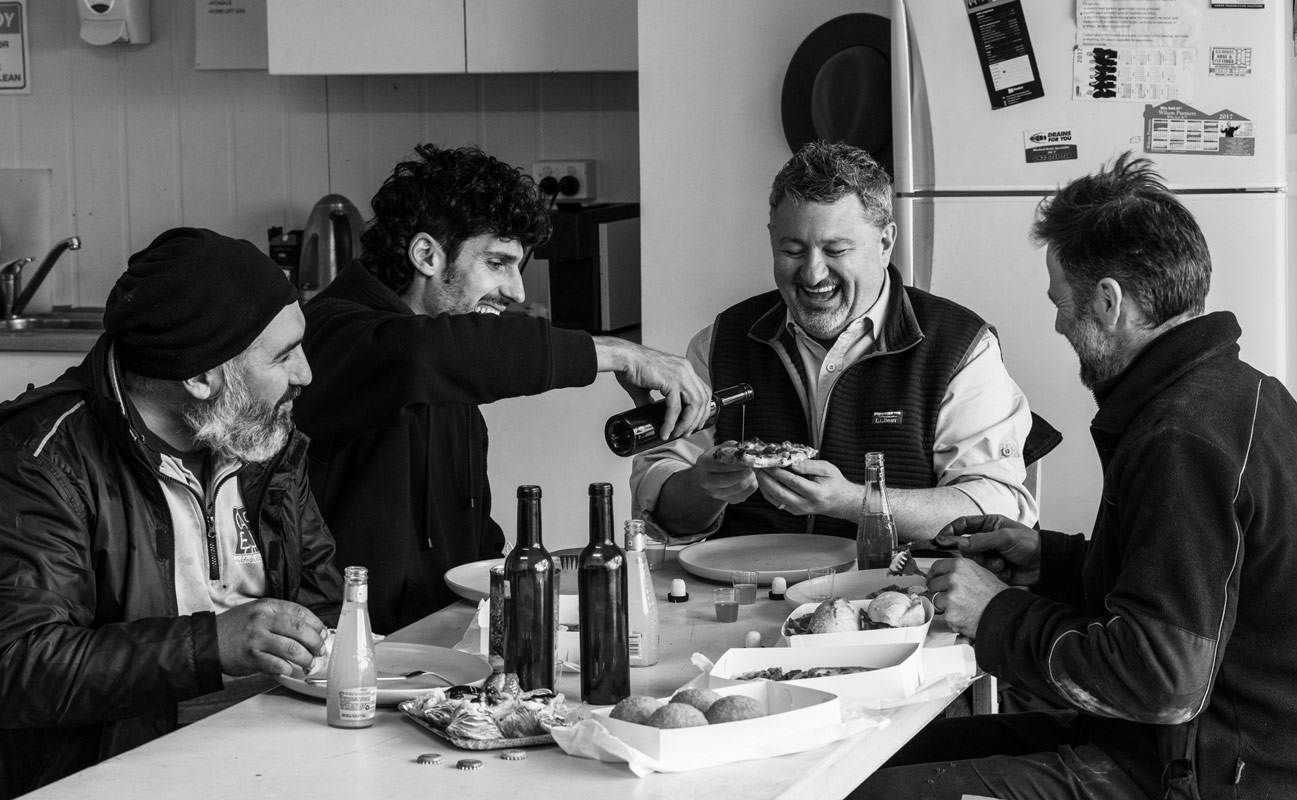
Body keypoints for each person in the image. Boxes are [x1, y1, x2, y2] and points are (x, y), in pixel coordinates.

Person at [854, 154, 1297, 799]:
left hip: (1205, 774)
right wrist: (1047, 560)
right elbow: (1192, 583)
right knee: (879, 755)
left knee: (874, 794)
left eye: (1062, 303)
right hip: (1165, 744)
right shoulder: (1245, 394)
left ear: (1110, 301)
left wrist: (996, 612)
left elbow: (1163, 681)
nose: (1059, 322)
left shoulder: (1182, 437)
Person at [295, 144, 710, 633]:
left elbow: (472, 534)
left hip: (442, 647)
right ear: (426, 254)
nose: (517, 291)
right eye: (497, 263)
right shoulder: (331, 334)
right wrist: (622, 354)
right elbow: (420, 354)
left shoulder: (448, 347)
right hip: (351, 655)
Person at [0, 228, 341, 798]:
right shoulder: (40, 461)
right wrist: (214, 644)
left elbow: (322, 600)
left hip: (274, 743)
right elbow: (18, 664)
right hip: (114, 772)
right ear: (202, 376)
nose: (305, 374)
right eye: (283, 355)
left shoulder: (259, 439)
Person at [631, 141, 1043, 544]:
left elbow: (996, 513)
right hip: (742, 600)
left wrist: (855, 501)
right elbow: (658, 507)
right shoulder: (720, 342)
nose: (812, 274)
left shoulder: (960, 348)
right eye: (792, 250)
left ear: (884, 244)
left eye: (836, 249)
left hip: (895, 600)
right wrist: (704, 486)